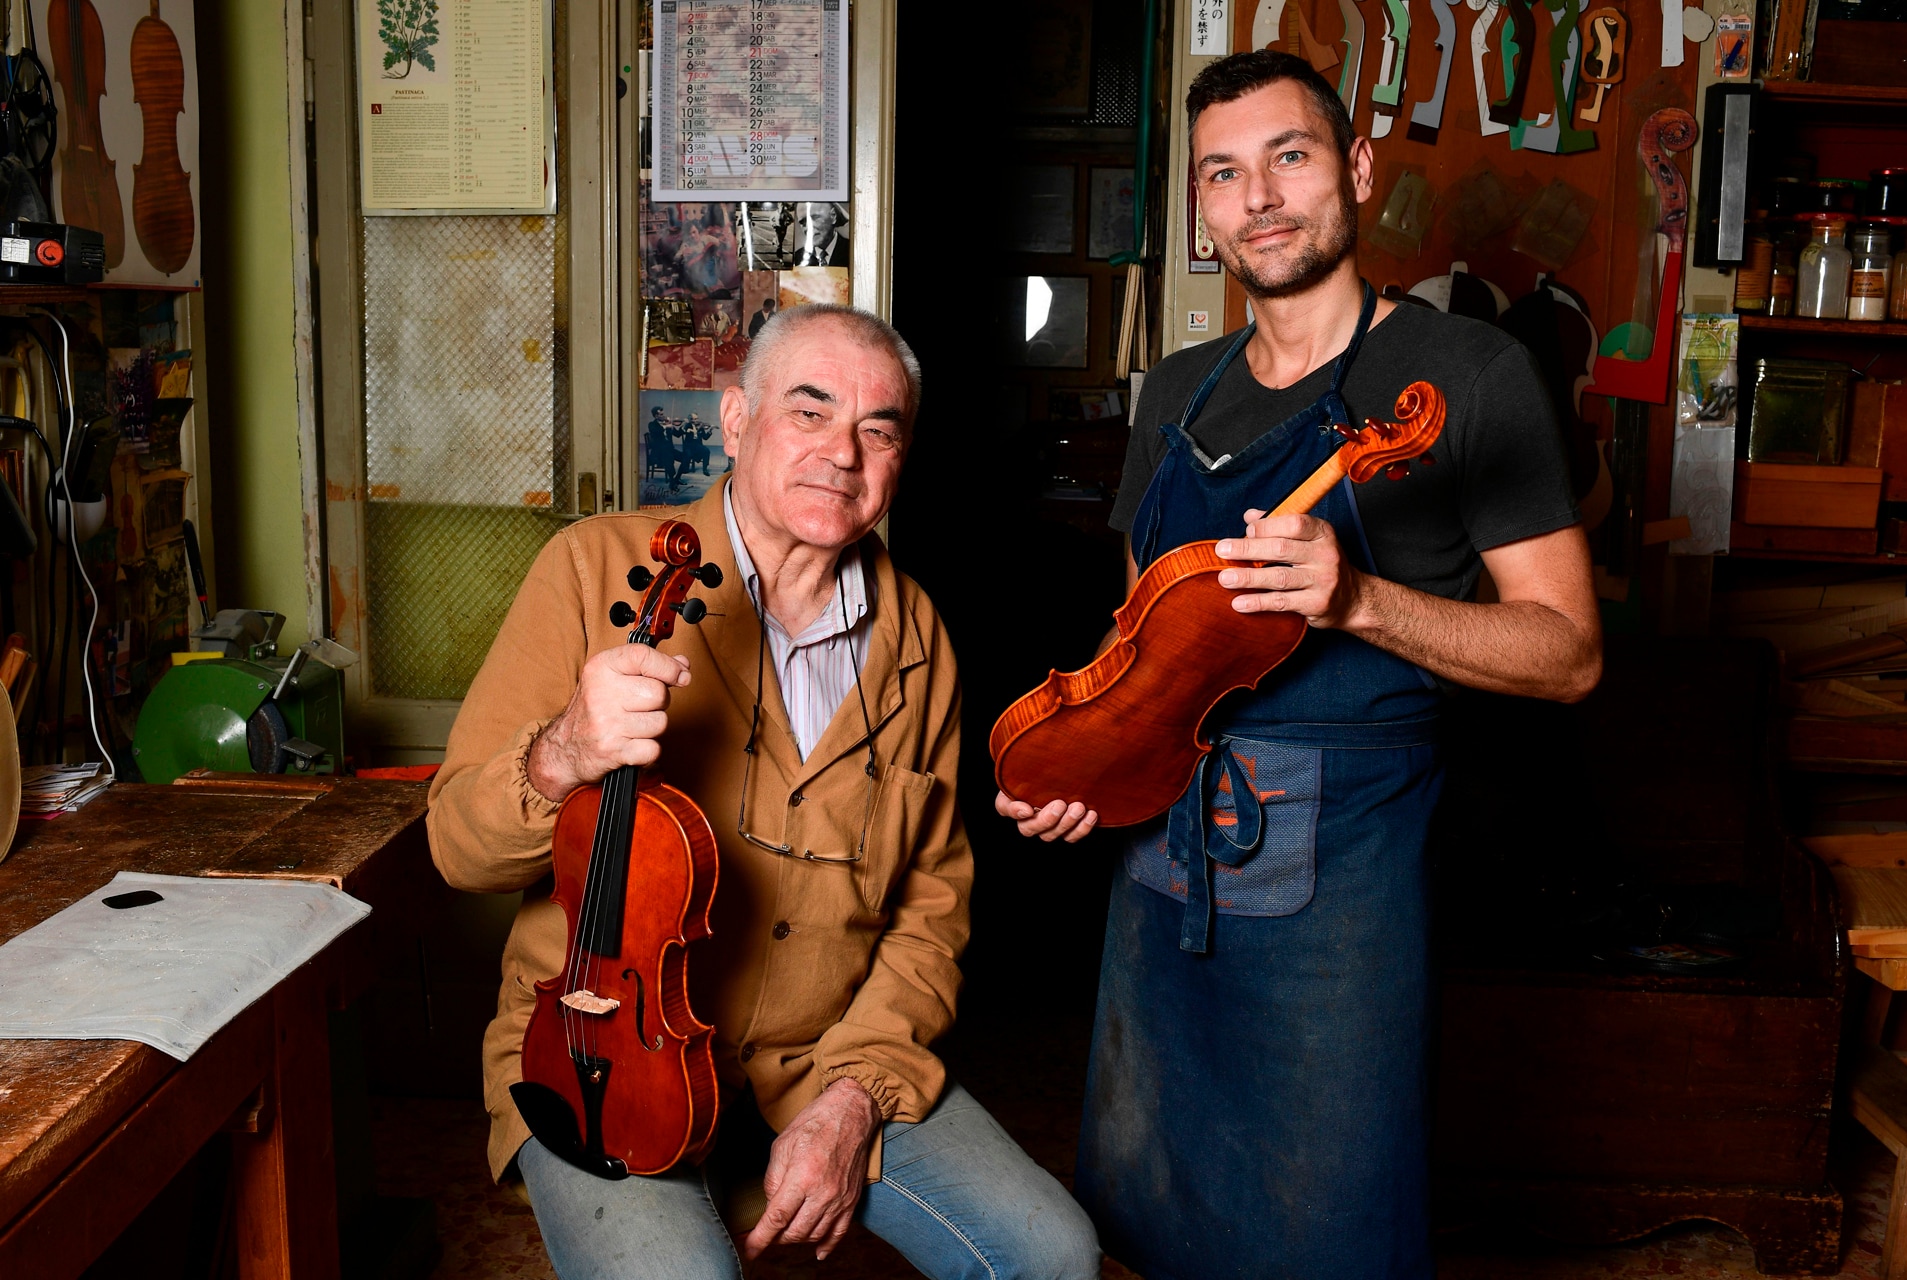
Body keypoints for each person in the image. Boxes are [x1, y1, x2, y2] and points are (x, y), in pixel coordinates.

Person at [994, 51, 1602, 1280]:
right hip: (1161, 870)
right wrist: (1084, 769)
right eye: (1225, 171)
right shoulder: (1172, 390)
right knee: (1145, 1209)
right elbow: (1137, 658)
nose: (1259, 195)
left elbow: (1572, 653)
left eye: (1290, 156)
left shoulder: (1472, 375)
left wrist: (1364, 599)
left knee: (1326, 1226)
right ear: (1205, 211)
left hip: (1345, 895)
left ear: (1357, 171)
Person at [429, 304, 1100, 1280]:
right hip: (602, 1056)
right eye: (810, 410)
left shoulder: (921, 638)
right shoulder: (587, 570)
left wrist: (854, 1096)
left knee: (1052, 1249)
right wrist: (563, 752)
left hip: (821, 1058)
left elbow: (933, 907)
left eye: (880, 428)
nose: (843, 452)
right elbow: (457, 846)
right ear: (736, 421)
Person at [790, 203, 850, 267]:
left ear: (833, 216)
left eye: (815, 218)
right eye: (803, 222)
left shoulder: (853, 252)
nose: (809, 228)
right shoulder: (797, 259)